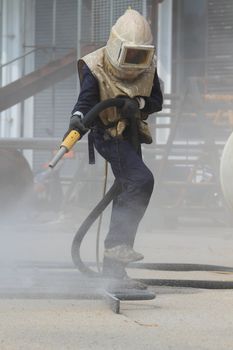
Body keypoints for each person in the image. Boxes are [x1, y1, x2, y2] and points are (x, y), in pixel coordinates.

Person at [67, 9, 163, 288]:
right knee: (141, 180)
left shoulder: (149, 66)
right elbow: (86, 102)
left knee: (127, 192)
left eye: (138, 56)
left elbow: (155, 100)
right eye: (129, 55)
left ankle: (115, 271)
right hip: (107, 134)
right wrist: (77, 119)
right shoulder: (95, 65)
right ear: (115, 47)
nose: (134, 63)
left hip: (132, 134)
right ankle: (116, 246)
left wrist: (140, 105)